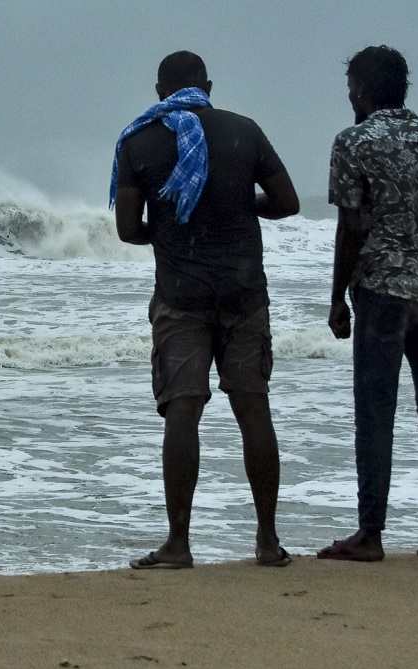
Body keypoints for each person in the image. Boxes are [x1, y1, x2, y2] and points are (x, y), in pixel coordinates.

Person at [111, 51, 300, 569]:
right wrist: (243, 206)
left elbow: (128, 229)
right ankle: (266, 541)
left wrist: (170, 233)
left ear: (159, 92)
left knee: (183, 412)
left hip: (180, 297)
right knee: (253, 408)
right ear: (208, 85)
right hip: (244, 293)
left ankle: (178, 543)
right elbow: (288, 201)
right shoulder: (244, 131)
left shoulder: (138, 141)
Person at [317, 45, 418, 562]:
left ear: (363, 90)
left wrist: (338, 296)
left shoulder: (354, 141)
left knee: (376, 410)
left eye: (351, 85)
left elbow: (351, 225)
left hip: (382, 289)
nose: (349, 94)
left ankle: (370, 534)